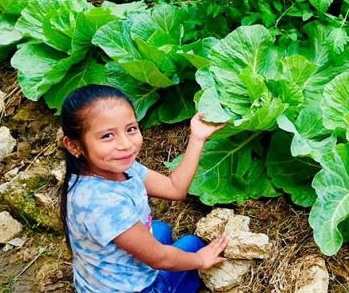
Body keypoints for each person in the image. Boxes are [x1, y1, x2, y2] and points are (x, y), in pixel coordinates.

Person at [58, 84, 227, 292]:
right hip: (139, 288)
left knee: (161, 230)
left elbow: (175, 189)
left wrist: (197, 138)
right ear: (74, 146)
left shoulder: (120, 167)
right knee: (192, 244)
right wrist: (199, 259)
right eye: (107, 136)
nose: (125, 144)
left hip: (104, 280)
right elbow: (159, 258)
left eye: (130, 129)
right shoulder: (101, 202)